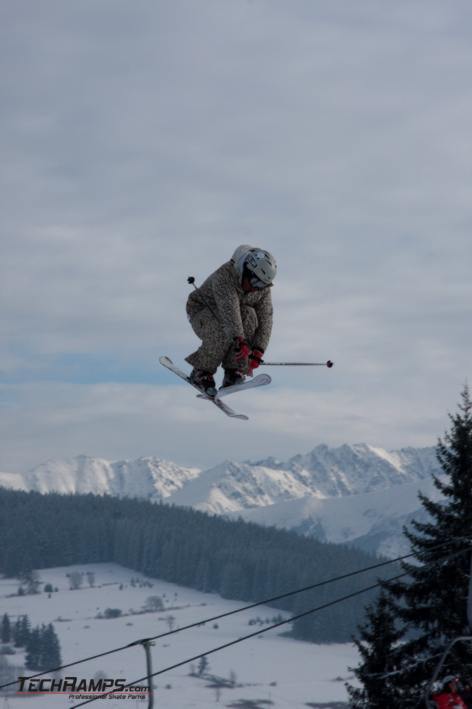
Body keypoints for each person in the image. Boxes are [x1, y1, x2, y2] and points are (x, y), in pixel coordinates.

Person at [185, 244, 277, 395]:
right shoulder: (226, 276)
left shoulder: (261, 288)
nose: (257, 288)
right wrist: (240, 341)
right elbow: (229, 312)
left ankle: (233, 371)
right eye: (255, 282)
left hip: (231, 318)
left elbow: (266, 317)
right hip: (201, 311)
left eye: (262, 285)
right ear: (246, 270)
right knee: (222, 328)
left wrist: (258, 350)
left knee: (250, 316)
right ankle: (201, 371)